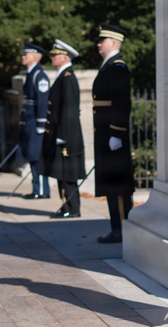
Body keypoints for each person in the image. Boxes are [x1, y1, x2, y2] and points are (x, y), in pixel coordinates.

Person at [92, 23, 135, 243]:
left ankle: (121, 229)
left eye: (102, 40)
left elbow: (121, 103)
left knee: (117, 185)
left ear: (113, 42)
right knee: (111, 183)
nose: (98, 44)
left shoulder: (117, 67)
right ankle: (116, 228)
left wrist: (116, 133)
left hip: (112, 135)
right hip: (107, 134)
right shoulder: (108, 65)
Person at [42, 39, 85, 219]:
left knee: (67, 174)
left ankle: (72, 208)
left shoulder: (68, 79)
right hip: (60, 134)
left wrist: (63, 135)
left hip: (66, 136)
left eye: (55, 55)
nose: (52, 58)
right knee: (62, 173)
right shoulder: (62, 76)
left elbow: (69, 110)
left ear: (64, 57)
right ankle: (66, 205)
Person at [17, 42, 51, 199]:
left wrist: (41, 124)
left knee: (37, 156)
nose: (23, 57)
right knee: (32, 155)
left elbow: (43, 101)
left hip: (36, 122)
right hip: (29, 121)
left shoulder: (39, 74)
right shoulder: (31, 73)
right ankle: (36, 188)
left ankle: (42, 190)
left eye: (26, 54)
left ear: (35, 56)